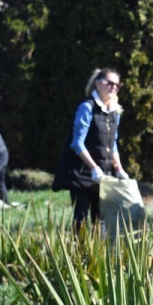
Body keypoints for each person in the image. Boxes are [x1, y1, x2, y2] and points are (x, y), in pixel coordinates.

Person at [52, 67, 129, 226]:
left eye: (117, 85)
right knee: (80, 218)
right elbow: (77, 143)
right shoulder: (87, 107)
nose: (113, 87)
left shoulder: (115, 112)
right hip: (81, 173)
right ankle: (78, 250)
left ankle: (95, 251)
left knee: (99, 219)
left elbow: (112, 143)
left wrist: (119, 168)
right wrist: (93, 168)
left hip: (103, 175)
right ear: (98, 84)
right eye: (109, 83)